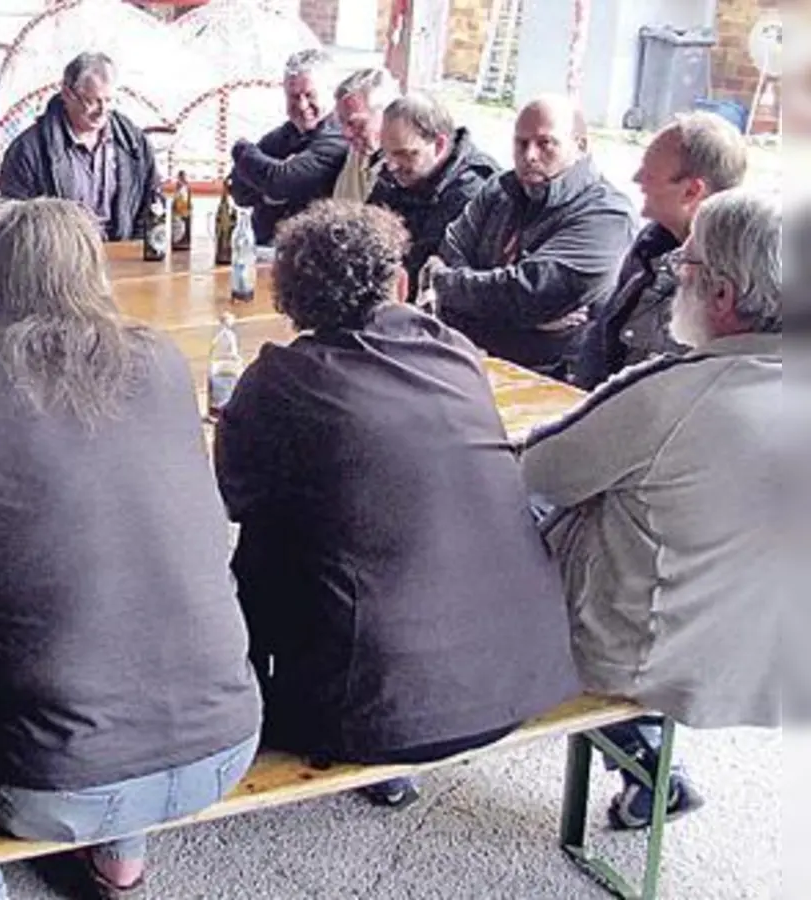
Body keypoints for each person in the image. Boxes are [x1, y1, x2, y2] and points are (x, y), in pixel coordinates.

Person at [0, 199, 261, 900]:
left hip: (43, 779)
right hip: (227, 742)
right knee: (123, 605)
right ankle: (120, 865)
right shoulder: (163, 362)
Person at [215, 200, 578, 808]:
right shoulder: (455, 353)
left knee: (273, 523)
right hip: (528, 671)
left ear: (292, 298)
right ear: (399, 282)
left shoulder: (282, 378)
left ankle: (273, 708)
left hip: (370, 709)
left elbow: (230, 495)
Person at [522, 189, 780, 830]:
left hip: (647, 652)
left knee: (492, 512)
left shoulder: (673, 398)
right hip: (764, 652)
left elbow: (538, 470)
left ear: (722, 297)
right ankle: (646, 758)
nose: (671, 279)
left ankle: (404, 716)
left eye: (683, 268)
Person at [424, 94, 636, 378]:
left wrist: (442, 284)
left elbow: (529, 296)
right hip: (467, 360)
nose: (530, 156)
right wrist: (513, 311)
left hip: (549, 378)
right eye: (521, 143)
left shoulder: (608, 215)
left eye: (545, 143)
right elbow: (451, 248)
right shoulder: (499, 190)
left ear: (581, 145)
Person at [571, 111, 748, 388]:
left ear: (691, 192)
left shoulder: (731, 276)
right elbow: (601, 341)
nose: (636, 177)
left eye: (649, 172)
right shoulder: (653, 242)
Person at [0, 53, 162, 242]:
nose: (102, 111)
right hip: (59, 260)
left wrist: (135, 254)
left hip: (123, 258)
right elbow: (13, 221)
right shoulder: (29, 150)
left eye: (109, 101)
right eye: (92, 101)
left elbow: (152, 205)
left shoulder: (134, 143)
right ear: (67, 94)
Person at [367, 91, 500, 287]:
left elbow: (421, 271)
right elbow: (365, 230)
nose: (392, 166)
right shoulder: (396, 168)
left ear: (439, 145)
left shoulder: (472, 191)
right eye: (385, 153)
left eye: (404, 154)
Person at [229, 49, 350, 245]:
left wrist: (241, 148)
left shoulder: (339, 137)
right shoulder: (283, 135)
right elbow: (237, 189)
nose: (302, 105)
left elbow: (280, 181)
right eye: (294, 97)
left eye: (310, 95)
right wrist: (269, 185)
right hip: (264, 249)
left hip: (311, 255)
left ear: (331, 92)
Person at [330, 67, 398, 202]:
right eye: (341, 123)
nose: (346, 133)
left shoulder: (405, 169)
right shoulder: (357, 154)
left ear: (386, 115)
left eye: (356, 124)